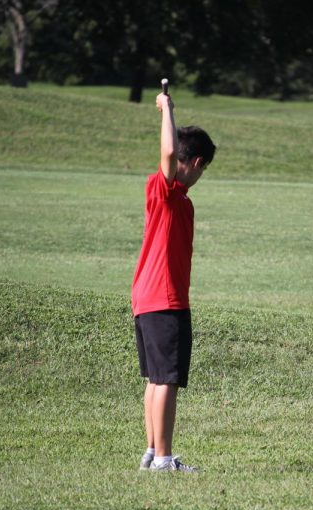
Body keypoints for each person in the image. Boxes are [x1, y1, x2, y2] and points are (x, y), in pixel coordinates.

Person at [132, 87, 216, 473]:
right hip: (165, 299)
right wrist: (167, 108)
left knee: (155, 379)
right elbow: (168, 153)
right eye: (203, 169)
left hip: (149, 298)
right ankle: (164, 459)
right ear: (196, 162)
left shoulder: (176, 196)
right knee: (166, 380)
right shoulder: (165, 190)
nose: (200, 176)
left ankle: (152, 452)